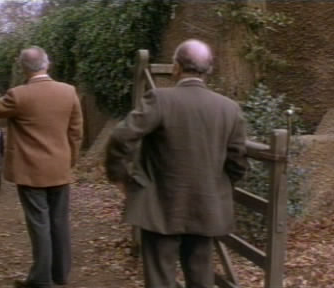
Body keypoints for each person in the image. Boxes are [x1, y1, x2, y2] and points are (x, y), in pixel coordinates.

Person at [104, 39, 249, 288]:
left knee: (160, 276)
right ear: (209, 70)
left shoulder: (160, 99)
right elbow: (237, 160)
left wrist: (122, 177)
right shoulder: (229, 108)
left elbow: (121, 136)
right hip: (206, 204)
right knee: (201, 276)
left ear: (176, 67)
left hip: (160, 204)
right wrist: (219, 185)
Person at [0, 46, 83, 288]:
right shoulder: (69, 92)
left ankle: (41, 280)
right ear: (47, 64)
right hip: (59, 168)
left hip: (31, 172)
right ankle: (60, 274)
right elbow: (76, 133)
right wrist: (69, 161)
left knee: (39, 224)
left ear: (23, 68)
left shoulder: (18, 96)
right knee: (59, 221)